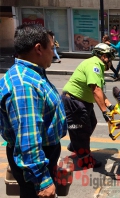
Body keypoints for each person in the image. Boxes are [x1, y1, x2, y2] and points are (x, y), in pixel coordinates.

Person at [0, 24, 67, 198]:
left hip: (42, 155)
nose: (53, 53)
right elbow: (28, 139)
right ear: (38, 49)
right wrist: (42, 181)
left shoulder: (32, 74)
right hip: (36, 162)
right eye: (51, 48)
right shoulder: (24, 85)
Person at [61, 43, 115, 169]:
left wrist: (111, 107)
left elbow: (100, 92)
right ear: (104, 57)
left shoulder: (97, 66)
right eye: (110, 58)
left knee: (91, 122)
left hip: (83, 101)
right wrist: (104, 112)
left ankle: (76, 145)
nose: (111, 62)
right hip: (74, 101)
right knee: (82, 130)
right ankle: (85, 160)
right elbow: (95, 89)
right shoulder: (94, 65)